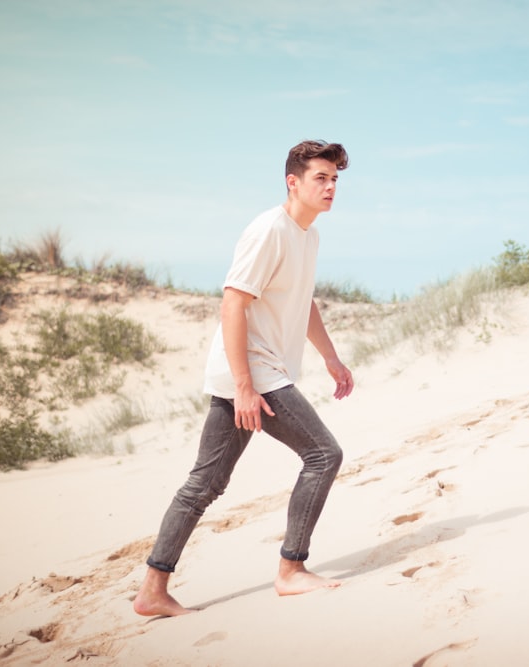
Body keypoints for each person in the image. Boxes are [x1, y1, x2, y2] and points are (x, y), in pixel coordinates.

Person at [133, 140, 354, 617]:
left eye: (335, 178)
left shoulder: (308, 236)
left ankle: (152, 591)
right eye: (321, 177)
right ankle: (291, 569)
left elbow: (303, 301)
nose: (331, 186)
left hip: (252, 371)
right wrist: (245, 387)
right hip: (251, 371)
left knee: (206, 483)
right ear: (292, 182)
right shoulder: (269, 230)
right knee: (323, 454)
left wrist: (332, 359)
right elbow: (233, 303)